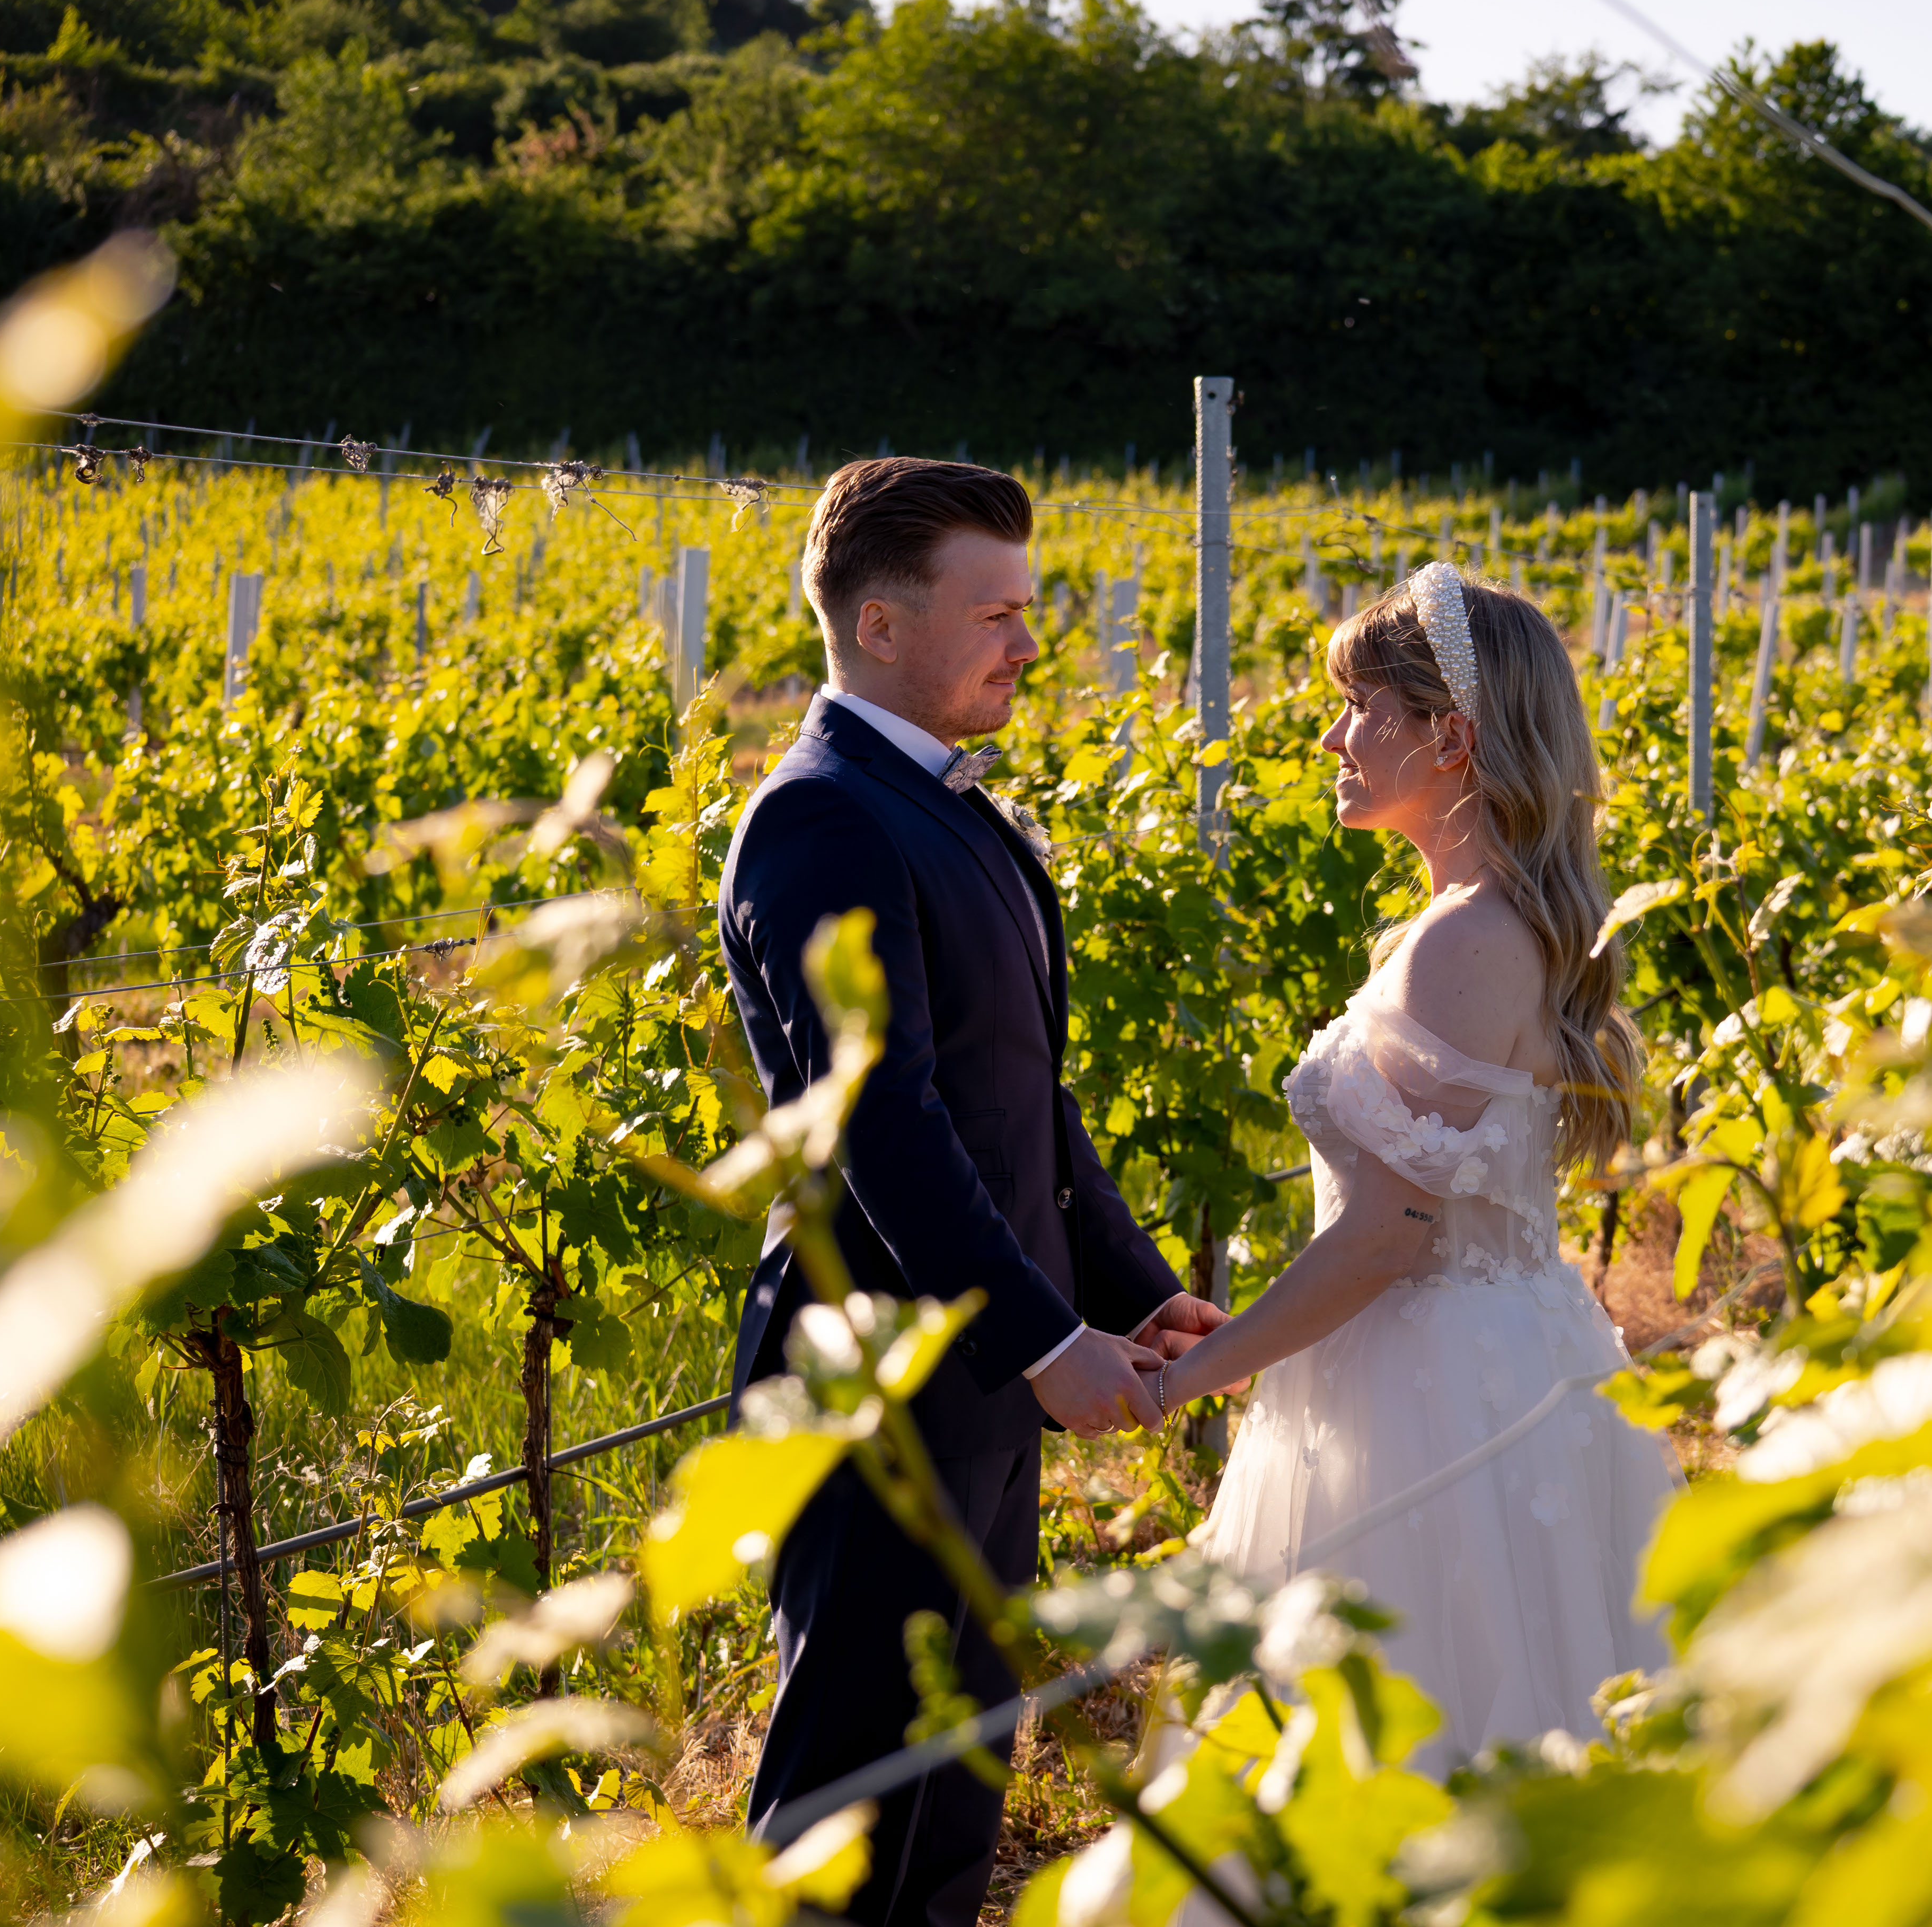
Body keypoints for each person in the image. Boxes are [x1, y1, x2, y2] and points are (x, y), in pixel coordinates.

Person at [716, 457, 1229, 1927]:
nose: (1028, 640)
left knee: (957, 1782)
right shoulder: (825, 820)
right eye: (996, 611)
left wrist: (1131, 1291)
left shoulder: (947, 809)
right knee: (850, 1798)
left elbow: (1026, 1106)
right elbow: (884, 1127)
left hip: (977, 1374)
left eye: (1030, 607)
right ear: (880, 627)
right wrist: (1044, 1341)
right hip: (878, 1378)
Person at [1154, 562, 1680, 1765]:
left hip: (1438, 1388)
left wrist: (1203, 1377)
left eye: (1360, 711)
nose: (1334, 736)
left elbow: (1393, 1234)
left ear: (1451, 738)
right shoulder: (1475, 925)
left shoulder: (1467, 941)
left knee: (1405, 1722)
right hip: (1464, 1351)